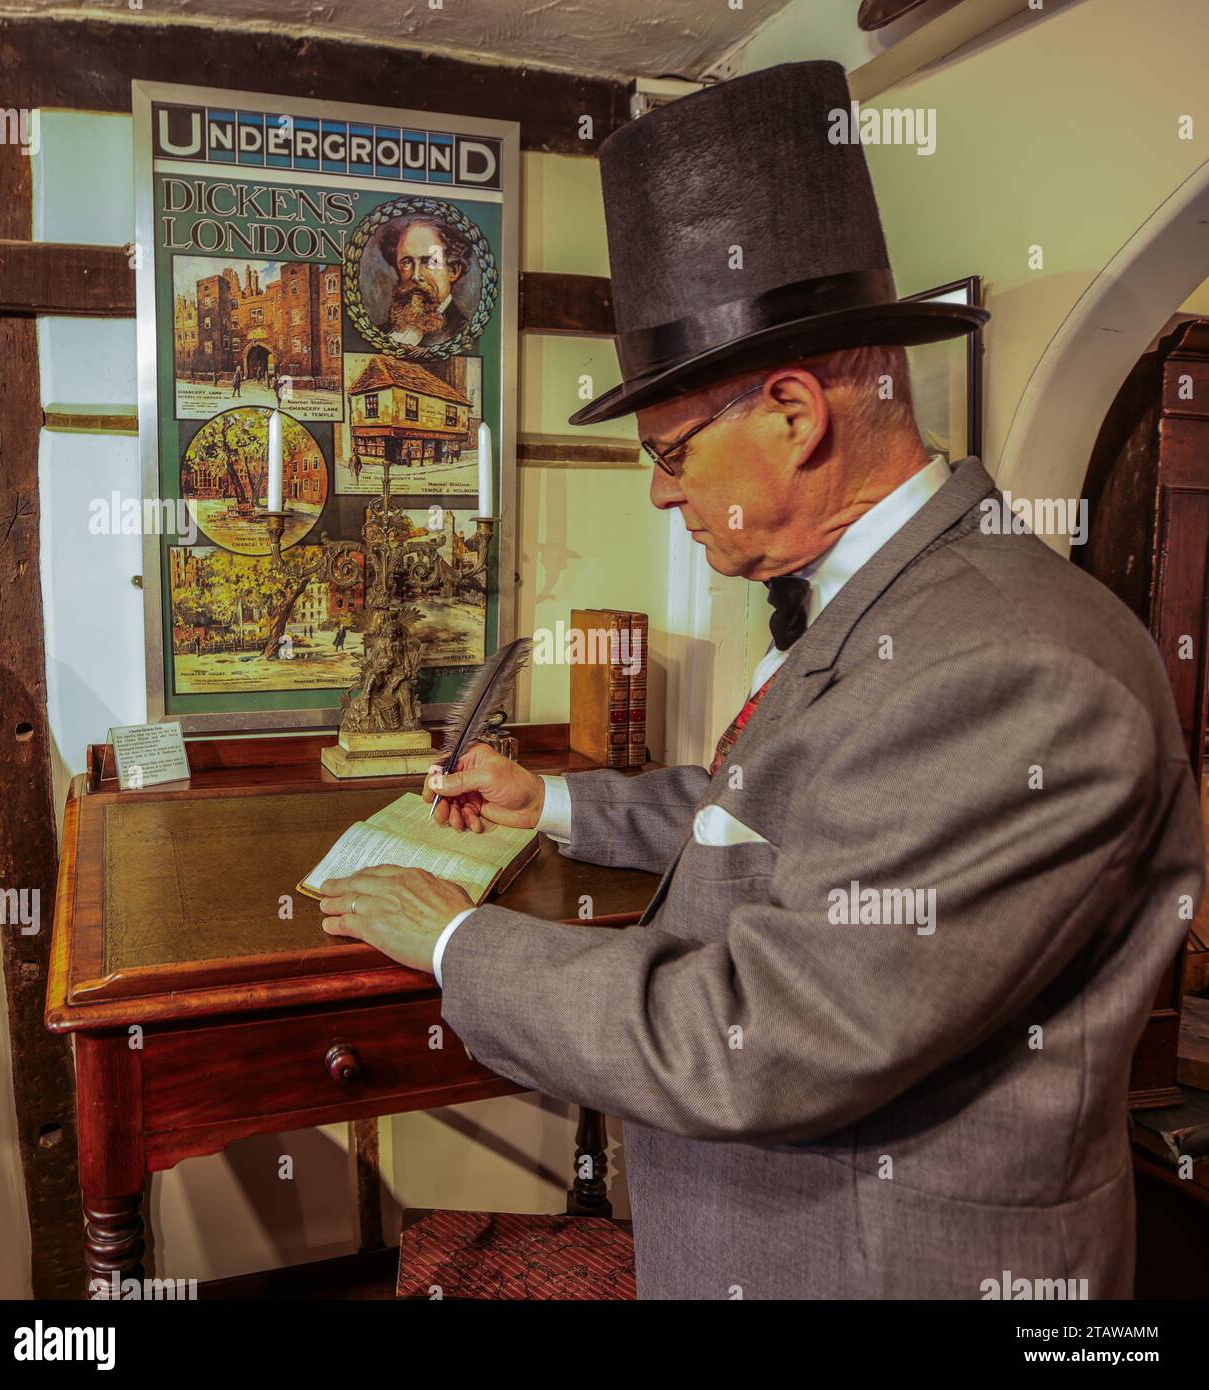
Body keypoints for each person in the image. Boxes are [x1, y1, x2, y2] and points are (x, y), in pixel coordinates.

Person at [315, 62, 1204, 1299]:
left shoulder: (1014, 668)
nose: (662, 492)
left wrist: (459, 940)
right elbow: (794, 816)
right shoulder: (898, 601)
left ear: (792, 411)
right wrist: (554, 806)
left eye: (672, 452)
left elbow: (758, 1037)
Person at [377, 215, 470, 347]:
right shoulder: (382, 332)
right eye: (407, 262)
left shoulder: (462, 333)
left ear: (453, 271)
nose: (415, 276)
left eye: (429, 262)